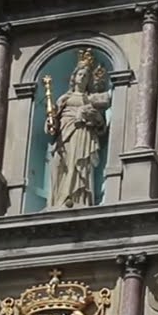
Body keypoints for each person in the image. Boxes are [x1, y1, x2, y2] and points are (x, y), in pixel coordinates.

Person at [46, 50, 111, 209]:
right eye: (80, 74)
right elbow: (52, 125)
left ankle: (80, 198)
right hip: (67, 135)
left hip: (84, 135)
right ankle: (62, 199)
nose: (82, 78)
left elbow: (101, 125)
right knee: (64, 165)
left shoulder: (90, 99)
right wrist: (51, 121)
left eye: (86, 76)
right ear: (73, 77)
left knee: (82, 166)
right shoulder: (65, 98)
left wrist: (94, 117)